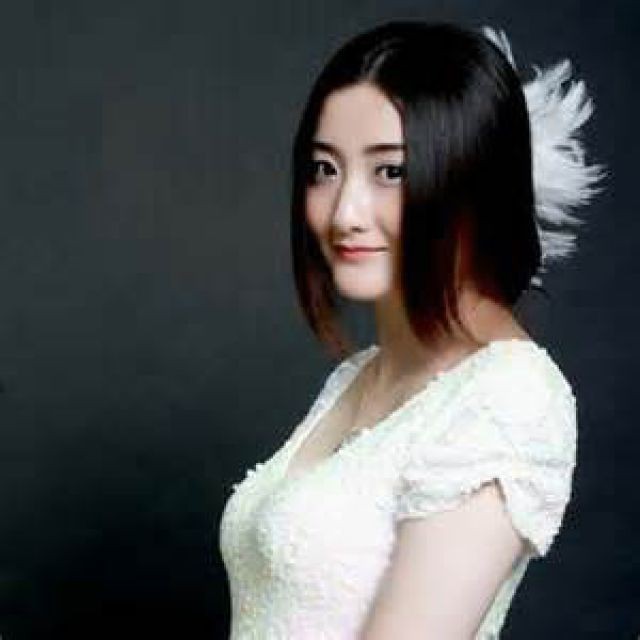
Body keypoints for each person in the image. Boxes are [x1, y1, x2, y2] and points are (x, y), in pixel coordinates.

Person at [218, 20, 606, 639]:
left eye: (390, 172)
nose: (345, 212)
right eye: (324, 169)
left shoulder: (509, 398)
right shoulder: (358, 375)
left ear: (472, 182)